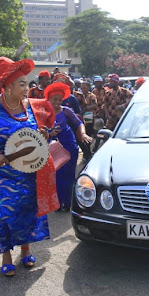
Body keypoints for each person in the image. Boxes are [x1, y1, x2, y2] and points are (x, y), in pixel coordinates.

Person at [0, 57, 56, 277]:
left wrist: (42, 135)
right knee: (2, 214)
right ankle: (6, 256)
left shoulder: (31, 108)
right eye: (22, 84)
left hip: (26, 173)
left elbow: (35, 136)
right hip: (0, 175)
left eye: (27, 83)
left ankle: (26, 250)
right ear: (7, 86)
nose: (27, 88)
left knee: (26, 212)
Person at [45, 81, 92, 210]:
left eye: (60, 99)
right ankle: (58, 203)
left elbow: (79, 123)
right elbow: (37, 129)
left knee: (69, 175)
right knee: (55, 175)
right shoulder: (43, 112)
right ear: (48, 98)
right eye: (54, 99)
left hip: (69, 146)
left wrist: (82, 134)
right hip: (52, 148)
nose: (57, 102)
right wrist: (49, 134)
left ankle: (68, 202)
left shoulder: (66, 111)